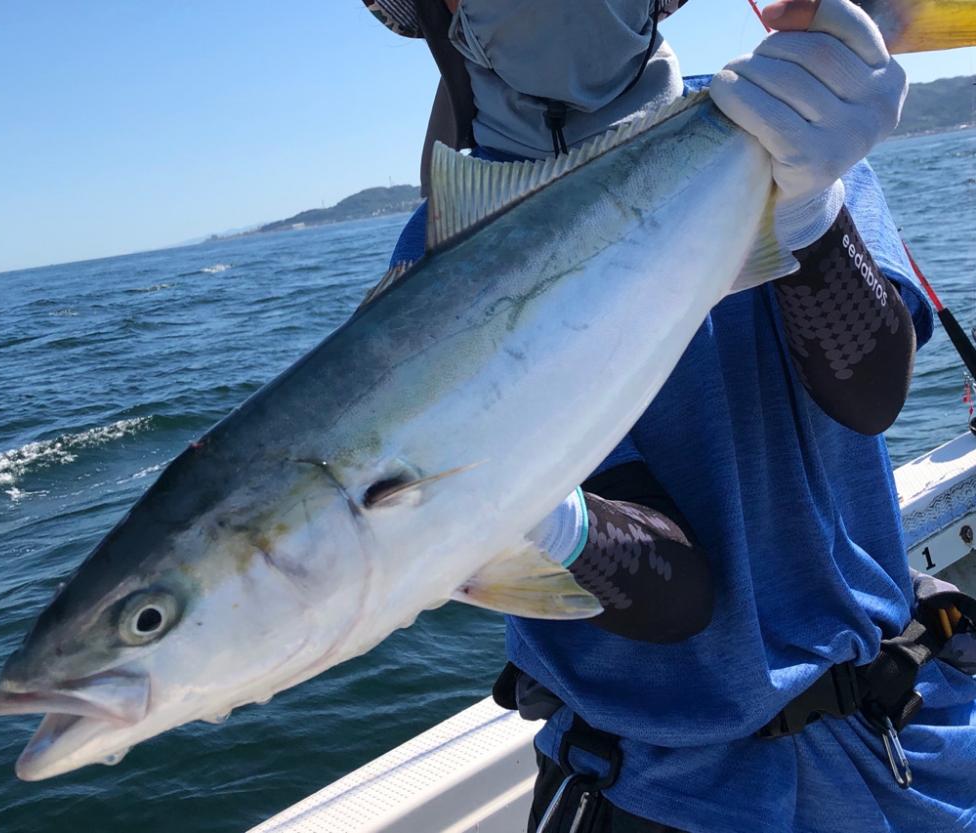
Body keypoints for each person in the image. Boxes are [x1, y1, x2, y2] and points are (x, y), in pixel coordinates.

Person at [363, 1, 976, 831]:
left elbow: (871, 394)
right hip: (660, 790)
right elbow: (676, 595)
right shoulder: (437, 263)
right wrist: (535, 516)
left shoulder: (778, 120)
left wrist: (811, 211)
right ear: (451, 18)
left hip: (903, 732)